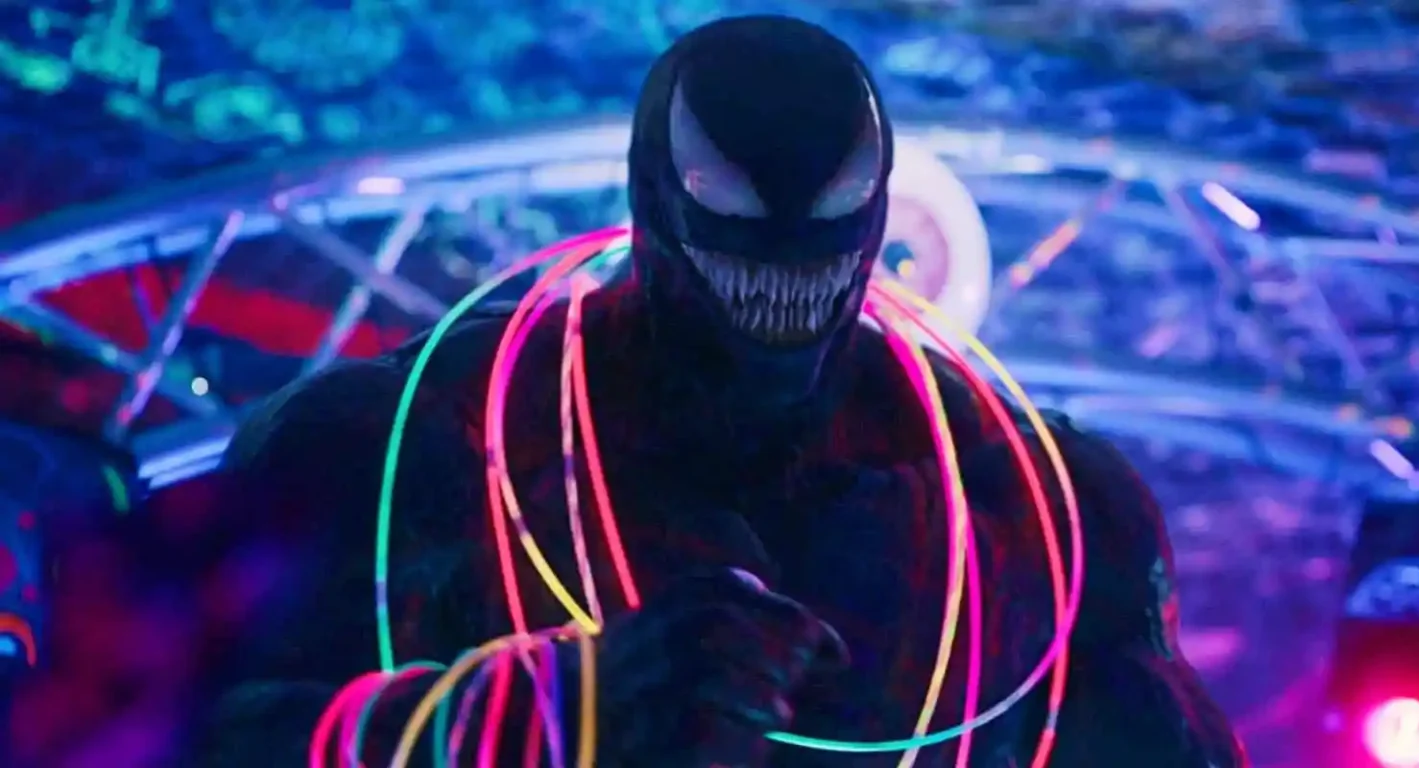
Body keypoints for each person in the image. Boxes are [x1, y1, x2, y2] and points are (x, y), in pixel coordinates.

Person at [194, 15, 1245, 767]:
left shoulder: (1034, 505)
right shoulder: (416, 442)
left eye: (824, 223)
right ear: (649, 199)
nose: (785, 261)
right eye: (736, 216)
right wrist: (549, 714)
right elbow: (168, 733)